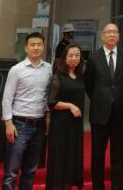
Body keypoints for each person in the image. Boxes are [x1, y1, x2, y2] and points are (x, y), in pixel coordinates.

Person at [85, 23, 123, 190]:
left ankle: (117, 186)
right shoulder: (94, 57)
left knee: (118, 153)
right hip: (99, 113)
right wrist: (101, 99)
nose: (112, 35)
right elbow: (89, 84)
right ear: (102, 36)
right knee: (98, 154)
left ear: (118, 36)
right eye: (108, 32)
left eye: (114, 32)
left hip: (119, 112)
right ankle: (98, 186)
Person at [1, 31, 52, 190]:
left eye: (39, 45)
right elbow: (7, 97)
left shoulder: (49, 69)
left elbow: (47, 95)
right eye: (32, 45)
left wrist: (48, 118)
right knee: (11, 171)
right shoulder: (17, 69)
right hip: (20, 125)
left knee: (30, 170)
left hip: (39, 125)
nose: (36, 48)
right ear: (26, 48)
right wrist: (8, 124)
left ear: (43, 47)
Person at [45, 43, 85, 190]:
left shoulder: (80, 76)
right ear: (64, 57)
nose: (74, 58)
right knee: (60, 155)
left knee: (72, 154)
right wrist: (70, 106)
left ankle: (68, 185)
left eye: (77, 55)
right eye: (70, 55)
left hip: (75, 123)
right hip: (60, 124)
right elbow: (52, 102)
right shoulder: (58, 76)